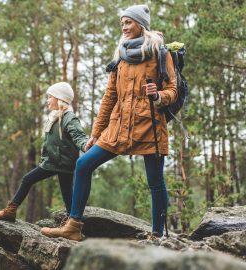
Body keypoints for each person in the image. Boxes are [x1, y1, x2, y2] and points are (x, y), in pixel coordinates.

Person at [41, 4, 177, 241]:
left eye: (129, 22)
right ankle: (74, 226)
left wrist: (158, 96)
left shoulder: (160, 53)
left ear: (140, 24)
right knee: (84, 164)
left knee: (155, 182)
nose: (124, 27)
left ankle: (156, 235)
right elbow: (109, 98)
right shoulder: (120, 57)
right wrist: (96, 133)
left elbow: (172, 90)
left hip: (149, 126)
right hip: (118, 128)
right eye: (122, 22)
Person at [0, 82, 89, 222]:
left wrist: (85, 145)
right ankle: (73, 221)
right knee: (67, 194)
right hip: (55, 161)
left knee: (28, 179)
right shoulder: (55, 117)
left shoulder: (69, 118)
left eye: (50, 97)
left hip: (60, 162)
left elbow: (79, 136)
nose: (47, 100)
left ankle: (10, 211)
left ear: (60, 98)